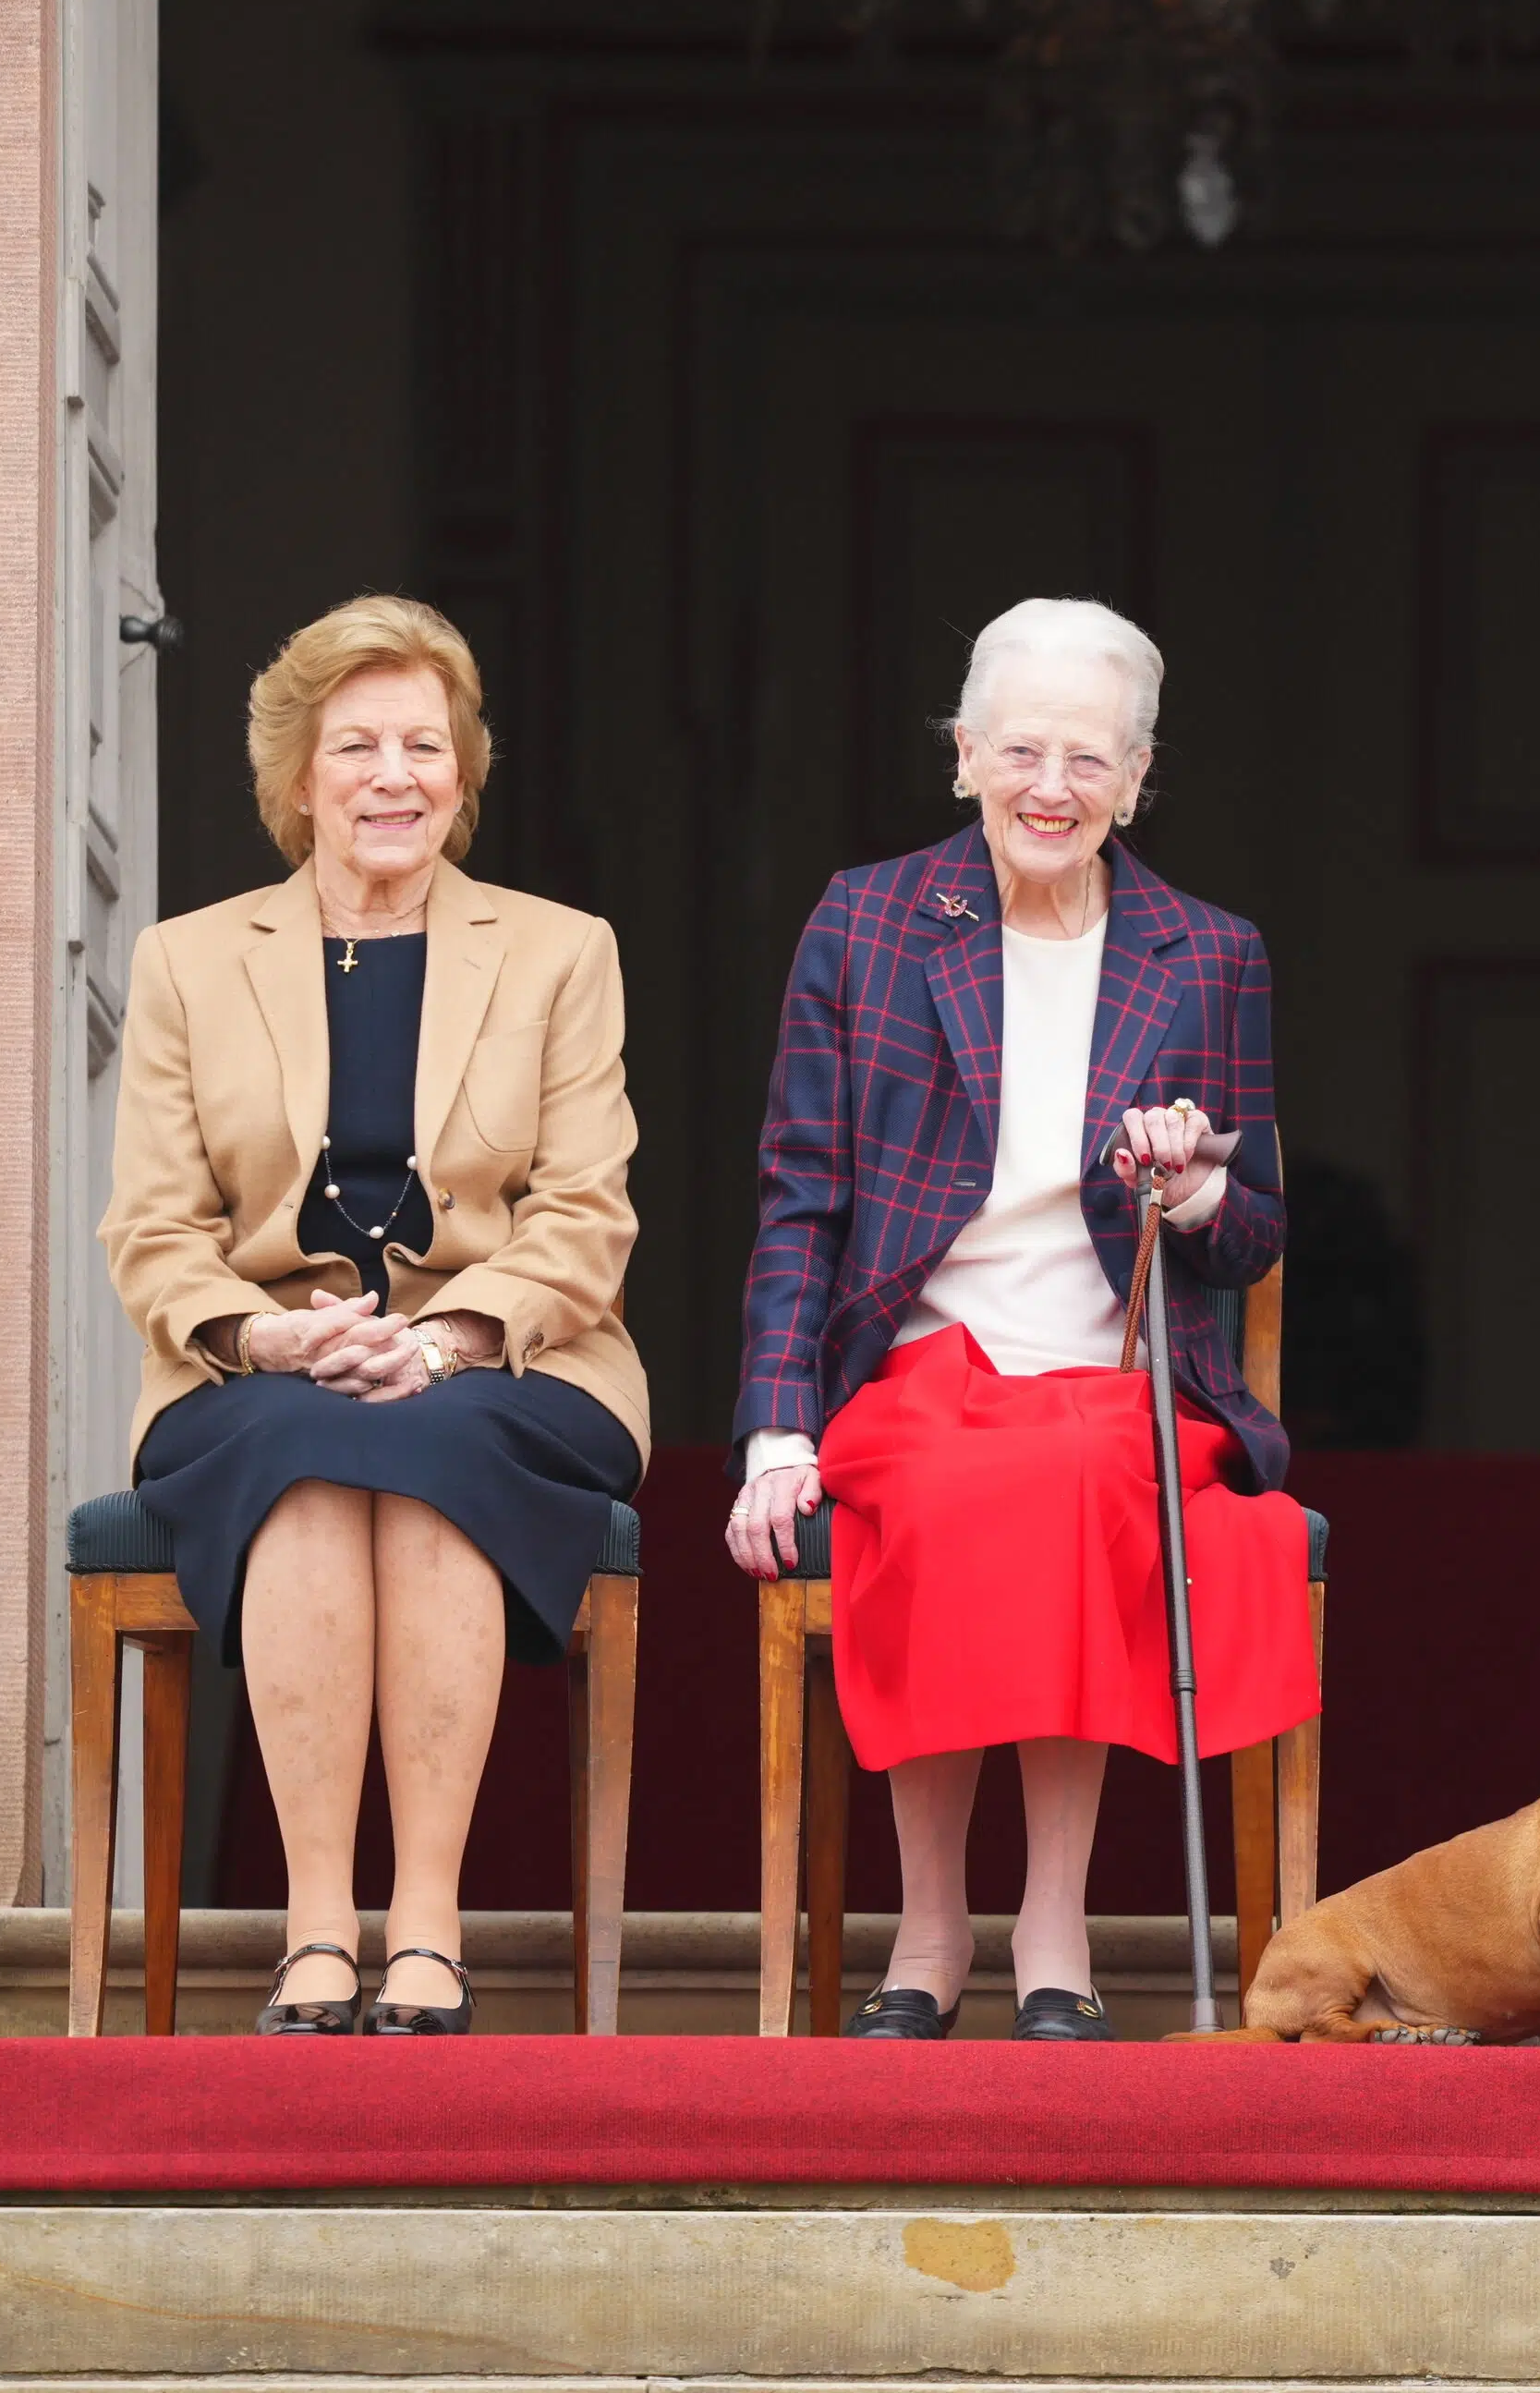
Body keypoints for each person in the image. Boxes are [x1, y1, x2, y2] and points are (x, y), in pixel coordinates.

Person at [725, 596, 1316, 2044]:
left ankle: (1053, 1914)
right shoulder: (864, 922)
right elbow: (799, 1198)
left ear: (1138, 777)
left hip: (1122, 1376)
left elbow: (1254, 1235)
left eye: (1091, 760)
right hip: (921, 1362)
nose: (1054, 789)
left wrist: (1186, 1193)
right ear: (966, 755)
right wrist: (773, 1430)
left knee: (1069, 1478)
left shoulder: (1208, 951)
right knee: (944, 1484)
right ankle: (932, 1919)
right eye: (1024, 752)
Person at [101, 595, 649, 2038]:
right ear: (298, 778)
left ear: (463, 774)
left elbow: (587, 1213)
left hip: (513, 1355)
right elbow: (155, 1231)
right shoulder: (186, 961)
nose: (393, 774)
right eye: (356, 745)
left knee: (432, 1441)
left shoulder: (557, 951)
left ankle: (424, 1922)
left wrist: (451, 1335)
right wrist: (266, 1334)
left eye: (425, 743)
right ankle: (318, 1924)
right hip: (261, 1361)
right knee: (304, 1440)